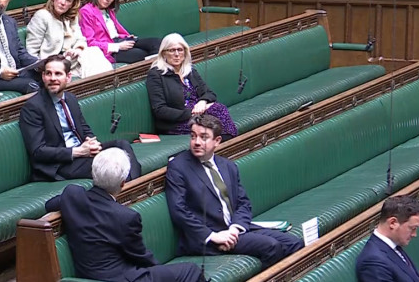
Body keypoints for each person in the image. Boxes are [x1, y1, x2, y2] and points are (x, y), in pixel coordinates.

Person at [46, 148, 205, 282]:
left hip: (88, 275)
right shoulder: (125, 216)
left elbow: (50, 204)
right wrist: (160, 271)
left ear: (93, 173)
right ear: (123, 183)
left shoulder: (72, 195)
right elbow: (140, 256)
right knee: (191, 271)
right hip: (120, 278)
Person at [165, 114, 302, 269]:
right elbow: (179, 210)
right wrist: (214, 236)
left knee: (295, 243)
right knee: (270, 246)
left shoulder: (228, 166)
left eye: (204, 137)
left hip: (234, 230)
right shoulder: (179, 167)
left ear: (217, 141)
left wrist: (235, 229)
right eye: (193, 136)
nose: (196, 142)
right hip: (207, 238)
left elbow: (243, 203)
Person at [19, 54, 142, 182]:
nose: (52, 78)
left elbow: (84, 128)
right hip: (60, 164)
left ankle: (135, 187)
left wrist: (91, 142)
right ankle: (131, 190)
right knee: (111, 167)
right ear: (43, 76)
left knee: (121, 145)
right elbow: (38, 151)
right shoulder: (33, 107)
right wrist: (78, 151)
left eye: (58, 74)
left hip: (82, 154)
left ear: (68, 77)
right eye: (48, 74)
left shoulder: (70, 99)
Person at [146, 33, 238, 138]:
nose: (177, 54)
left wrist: (202, 102)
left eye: (180, 50)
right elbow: (160, 110)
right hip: (176, 122)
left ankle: (224, 144)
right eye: (171, 50)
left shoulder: (189, 71)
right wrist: (191, 113)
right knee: (215, 124)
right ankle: (225, 145)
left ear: (185, 52)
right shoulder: (156, 74)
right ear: (163, 53)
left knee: (219, 109)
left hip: (200, 115)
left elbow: (209, 93)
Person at [25, 0, 112, 79]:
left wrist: (77, 49)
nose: (63, 3)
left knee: (94, 52)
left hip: (71, 61)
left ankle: (103, 84)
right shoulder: (42, 16)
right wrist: (47, 68)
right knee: (93, 57)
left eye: (68, 0)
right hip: (51, 66)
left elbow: (81, 39)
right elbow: (31, 53)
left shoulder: (71, 17)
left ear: (71, 4)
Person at [79, 0, 161, 64]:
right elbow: (90, 42)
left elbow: (112, 33)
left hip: (120, 40)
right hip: (108, 50)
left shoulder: (109, 10)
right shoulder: (86, 11)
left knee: (157, 43)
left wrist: (124, 37)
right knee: (140, 54)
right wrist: (117, 46)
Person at [356, 195, 419, 282]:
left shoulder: (394, 246)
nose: (414, 234)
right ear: (393, 223)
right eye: (412, 228)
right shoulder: (373, 262)